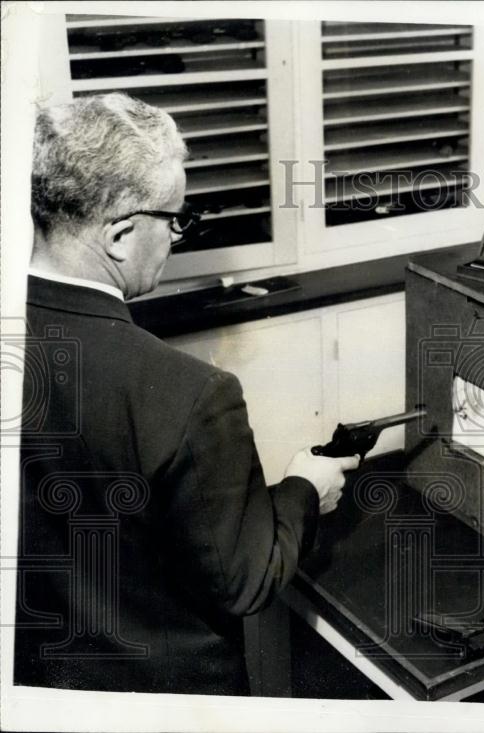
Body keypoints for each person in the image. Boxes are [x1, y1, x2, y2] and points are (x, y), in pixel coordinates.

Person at [15, 93, 359, 695]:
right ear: (121, 234)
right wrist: (305, 489)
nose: (177, 238)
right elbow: (244, 581)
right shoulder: (195, 394)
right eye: (175, 219)